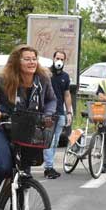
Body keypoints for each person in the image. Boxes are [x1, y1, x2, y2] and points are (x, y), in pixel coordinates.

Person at [0, 45, 56, 210]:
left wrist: (48, 114)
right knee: (4, 167)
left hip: (27, 133)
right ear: (17, 61)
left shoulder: (43, 79)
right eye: (27, 59)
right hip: (2, 129)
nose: (32, 62)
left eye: (34, 58)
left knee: (23, 177)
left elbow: (52, 100)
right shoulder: (5, 79)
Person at [43, 50, 73, 179]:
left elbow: (67, 94)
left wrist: (69, 112)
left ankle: (49, 166)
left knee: (55, 141)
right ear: (53, 58)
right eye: (57, 58)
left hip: (60, 112)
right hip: (48, 112)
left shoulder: (65, 77)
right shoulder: (46, 74)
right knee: (49, 140)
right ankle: (48, 167)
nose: (59, 61)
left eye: (62, 59)